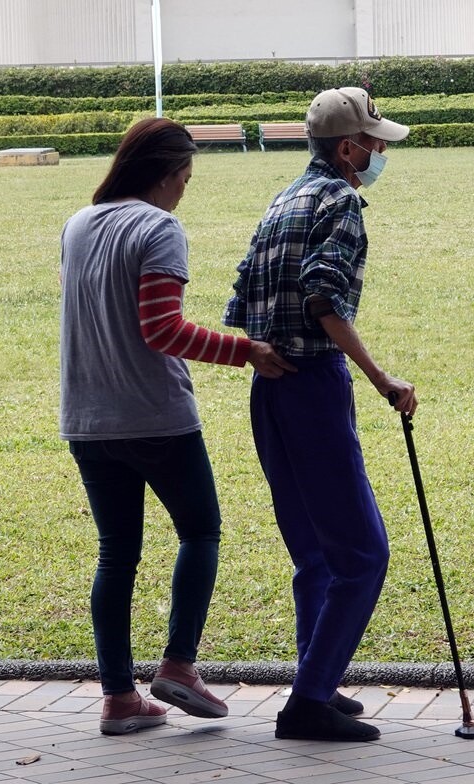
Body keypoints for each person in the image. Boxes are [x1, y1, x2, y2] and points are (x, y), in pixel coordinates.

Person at [60, 117, 296, 736]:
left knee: (117, 554)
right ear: (166, 174)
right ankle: (180, 665)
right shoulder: (159, 228)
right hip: (155, 416)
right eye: (185, 178)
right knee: (201, 532)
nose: (184, 190)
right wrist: (246, 350)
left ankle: (118, 700)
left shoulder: (79, 223)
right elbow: (161, 330)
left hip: (87, 418)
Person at [223, 87, 417, 743]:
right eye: (375, 142)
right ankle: (306, 704)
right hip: (312, 385)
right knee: (362, 554)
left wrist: (258, 353)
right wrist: (382, 379)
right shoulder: (339, 203)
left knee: (315, 555)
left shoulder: (281, 201)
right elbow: (322, 296)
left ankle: (319, 678)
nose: (381, 151)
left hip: (269, 386)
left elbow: (242, 294)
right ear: (346, 148)